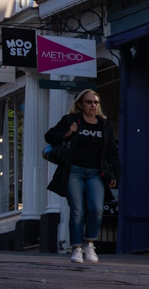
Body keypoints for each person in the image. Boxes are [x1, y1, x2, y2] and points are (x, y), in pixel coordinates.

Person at [45, 90, 117, 265]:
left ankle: (89, 243)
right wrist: (67, 133)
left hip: (95, 173)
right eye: (89, 102)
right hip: (74, 172)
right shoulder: (70, 121)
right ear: (80, 104)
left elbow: (112, 152)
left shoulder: (104, 125)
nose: (93, 105)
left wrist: (114, 174)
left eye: (96, 102)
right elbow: (49, 136)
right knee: (77, 211)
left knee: (97, 209)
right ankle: (76, 248)